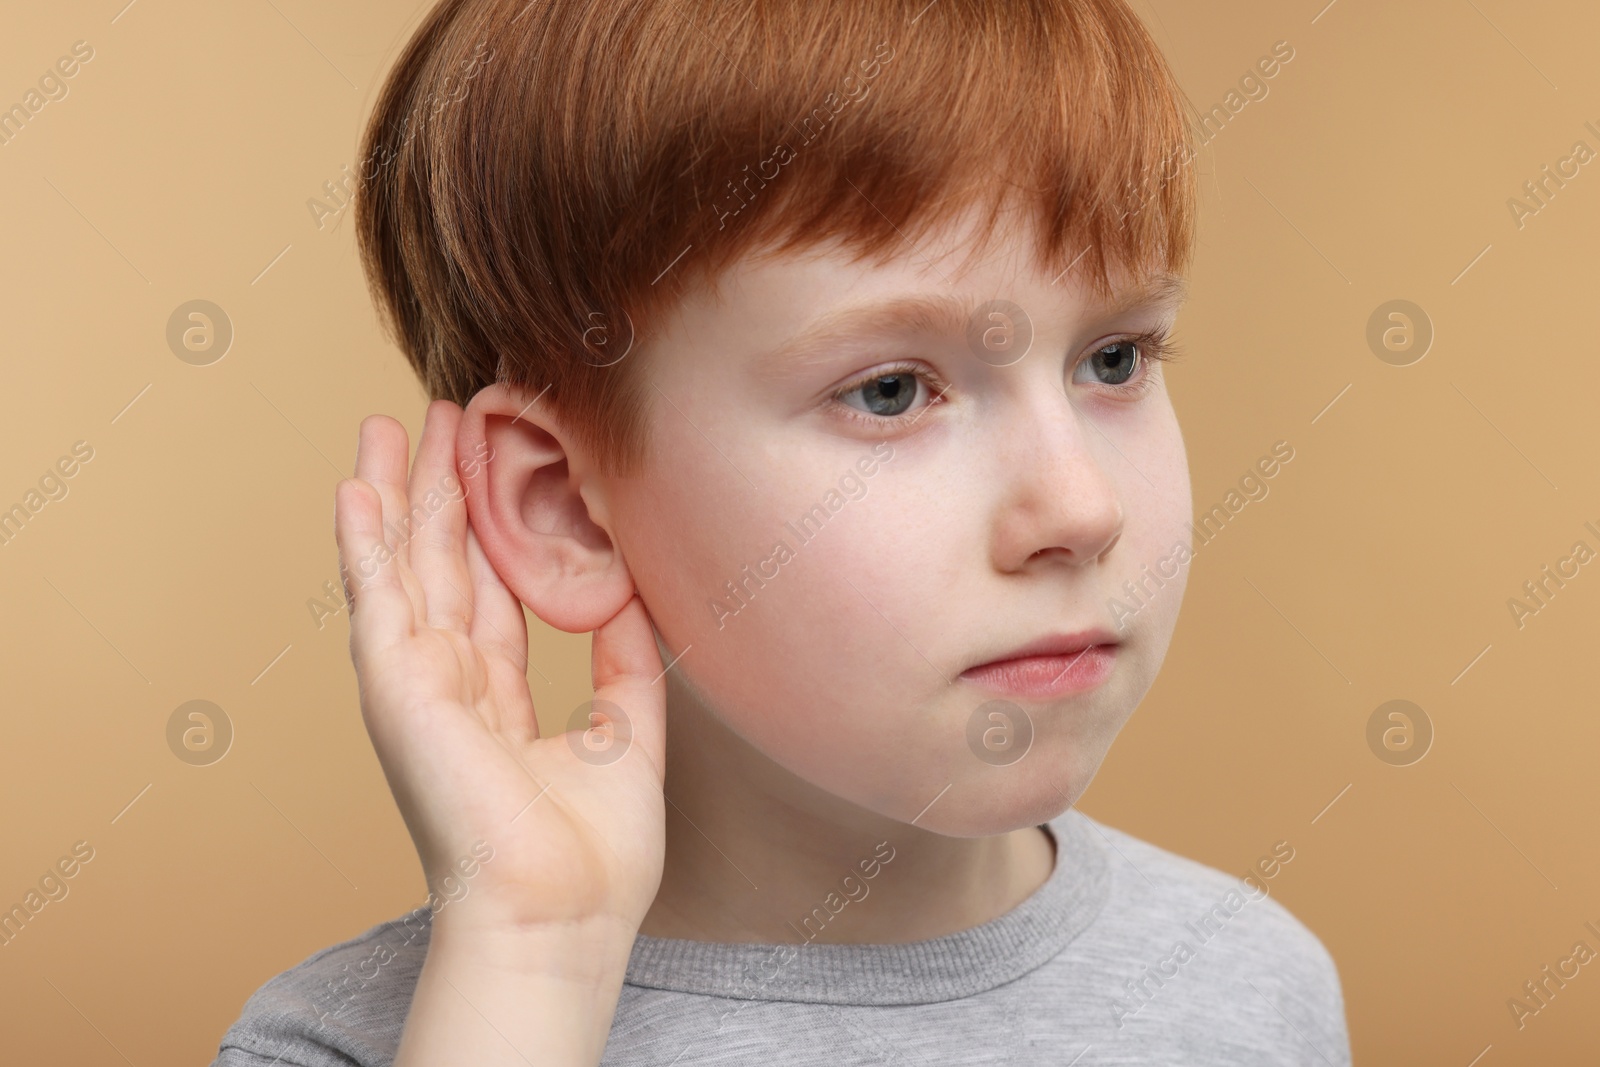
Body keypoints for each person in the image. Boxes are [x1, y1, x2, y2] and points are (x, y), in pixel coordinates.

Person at [212, 0, 1351, 1062]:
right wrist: (528, 957)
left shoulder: (1249, 986)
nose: (1080, 508)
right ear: (564, 506)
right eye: (893, 391)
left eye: (1114, 358)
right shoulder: (364, 1039)